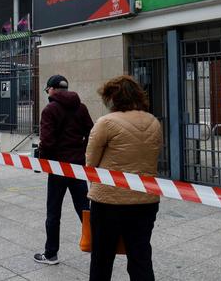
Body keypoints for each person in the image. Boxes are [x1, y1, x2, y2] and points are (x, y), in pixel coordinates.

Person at [85, 75, 162, 281]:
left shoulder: (106, 123)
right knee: (141, 257)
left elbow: (90, 164)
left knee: (102, 258)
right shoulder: (154, 122)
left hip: (108, 201)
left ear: (114, 98)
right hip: (146, 200)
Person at [34, 75, 93, 265]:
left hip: (58, 167)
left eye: (47, 90)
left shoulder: (50, 110)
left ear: (52, 89)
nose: (47, 93)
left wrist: (43, 161)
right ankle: (99, 246)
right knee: (84, 209)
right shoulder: (81, 107)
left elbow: (48, 141)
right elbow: (91, 133)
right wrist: (80, 152)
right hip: (76, 166)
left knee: (53, 211)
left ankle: (51, 254)